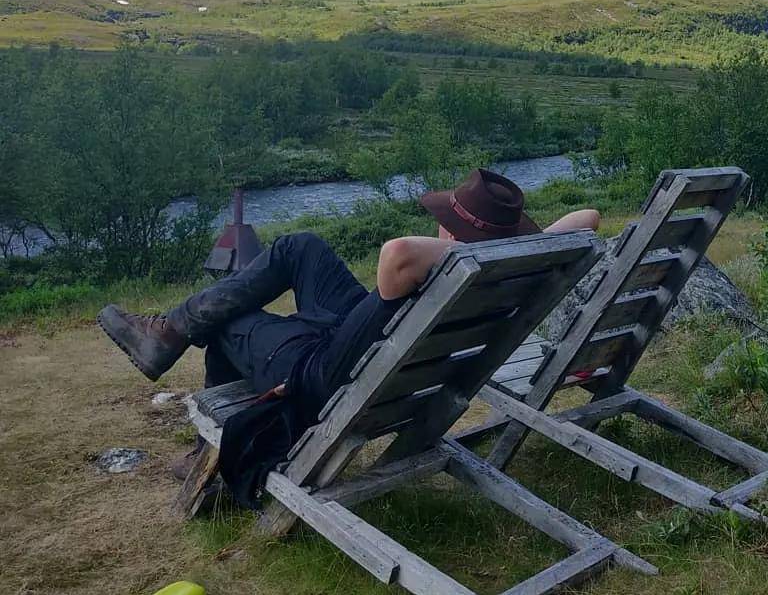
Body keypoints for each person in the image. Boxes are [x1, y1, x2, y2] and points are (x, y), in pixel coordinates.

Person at [98, 169, 599, 495]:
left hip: (325, 373)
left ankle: (209, 460)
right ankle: (168, 332)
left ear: (457, 232)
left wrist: (473, 250)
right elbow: (587, 217)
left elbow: (398, 252)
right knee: (302, 247)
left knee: (231, 318)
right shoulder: (517, 269)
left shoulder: (439, 263)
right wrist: (502, 248)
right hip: (369, 346)